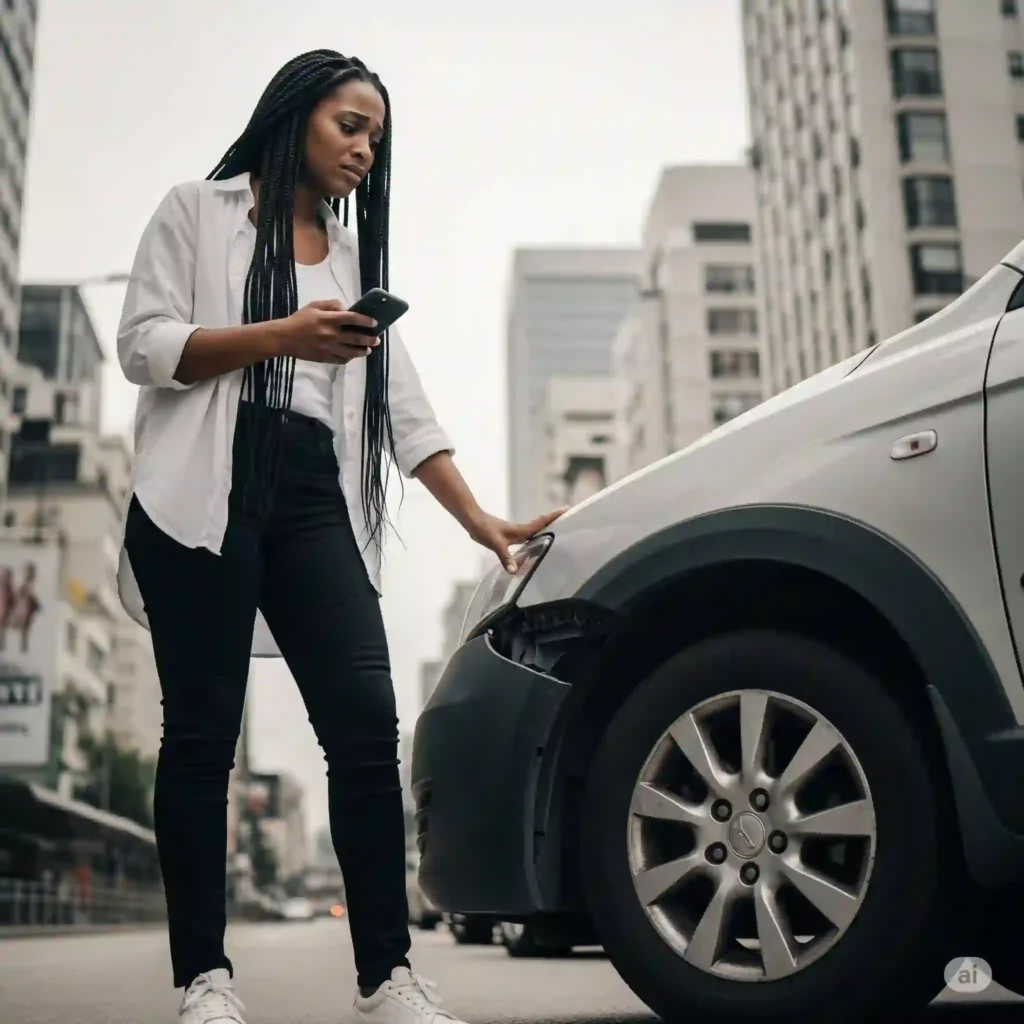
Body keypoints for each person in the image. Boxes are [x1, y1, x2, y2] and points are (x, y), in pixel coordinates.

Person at [114, 49, 566, 1024]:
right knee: (200, 737)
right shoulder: (197, 209)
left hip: (315, 493)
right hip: (205, 486)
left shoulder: (355, 264)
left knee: (365, 725)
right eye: (349, 125)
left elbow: (405, 414)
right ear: (295, 116)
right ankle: (204, 980)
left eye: (376, 136)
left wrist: (482, 520)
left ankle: (387, 977)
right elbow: (144, 346)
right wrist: (283, 334)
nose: (364, 148)